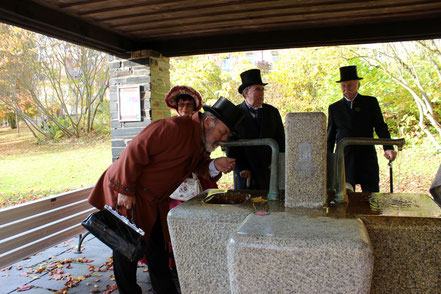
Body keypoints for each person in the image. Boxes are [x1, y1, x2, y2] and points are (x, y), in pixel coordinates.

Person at [88, 96, 244, 294]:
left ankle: (164, 289)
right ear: (208, 122)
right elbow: (135, 150)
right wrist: (125, 189)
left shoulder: (198, 139)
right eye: (223, 132)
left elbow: (194, 164)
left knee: (157, 248)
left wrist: (215, 165)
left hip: (154, 200)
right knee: (125, 247)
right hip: (131, 192)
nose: (224, 139)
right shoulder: (175, 127)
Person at [327, 65, 397, 192]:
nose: (346, 89)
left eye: (350, 85)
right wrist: (328, 158)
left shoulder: (370, 103)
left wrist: (388, 147)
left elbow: (381, 127)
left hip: (366, 156)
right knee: (344, 197)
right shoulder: (334, 108)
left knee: (371, 195)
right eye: (343, 86)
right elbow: (330, 136)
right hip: (344, 158)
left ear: (358, 85)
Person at [226, 69, 285, 190]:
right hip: (246, 175)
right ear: (246, 92)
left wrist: (276, 161)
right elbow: (230, 145)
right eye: (257, 89)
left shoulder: (272, 112)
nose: (262, 93)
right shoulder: (234, 114)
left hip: (269, 173)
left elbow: (281, 140)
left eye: (263, 89)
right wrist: (241, 168)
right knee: (246, 207)